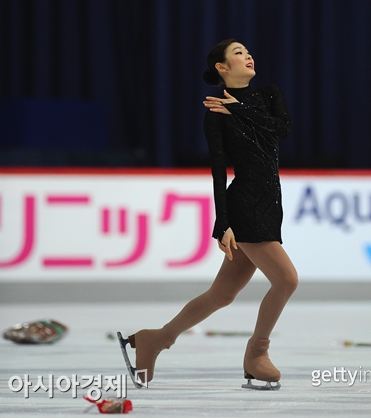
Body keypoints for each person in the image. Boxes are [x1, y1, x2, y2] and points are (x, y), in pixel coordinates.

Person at [118, 39, 298, 391]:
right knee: (287, 280)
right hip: (245, 204)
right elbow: (219, 171)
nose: (248, 56)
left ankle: (155, 340)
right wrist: (223, 223)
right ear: (221, 67)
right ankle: (256, 354)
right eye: (238, 53)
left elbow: (283, 129)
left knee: (222, 295)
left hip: (270, 203)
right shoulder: (214, 113)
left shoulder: (269, 95)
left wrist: (240, 109)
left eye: (248, 51)